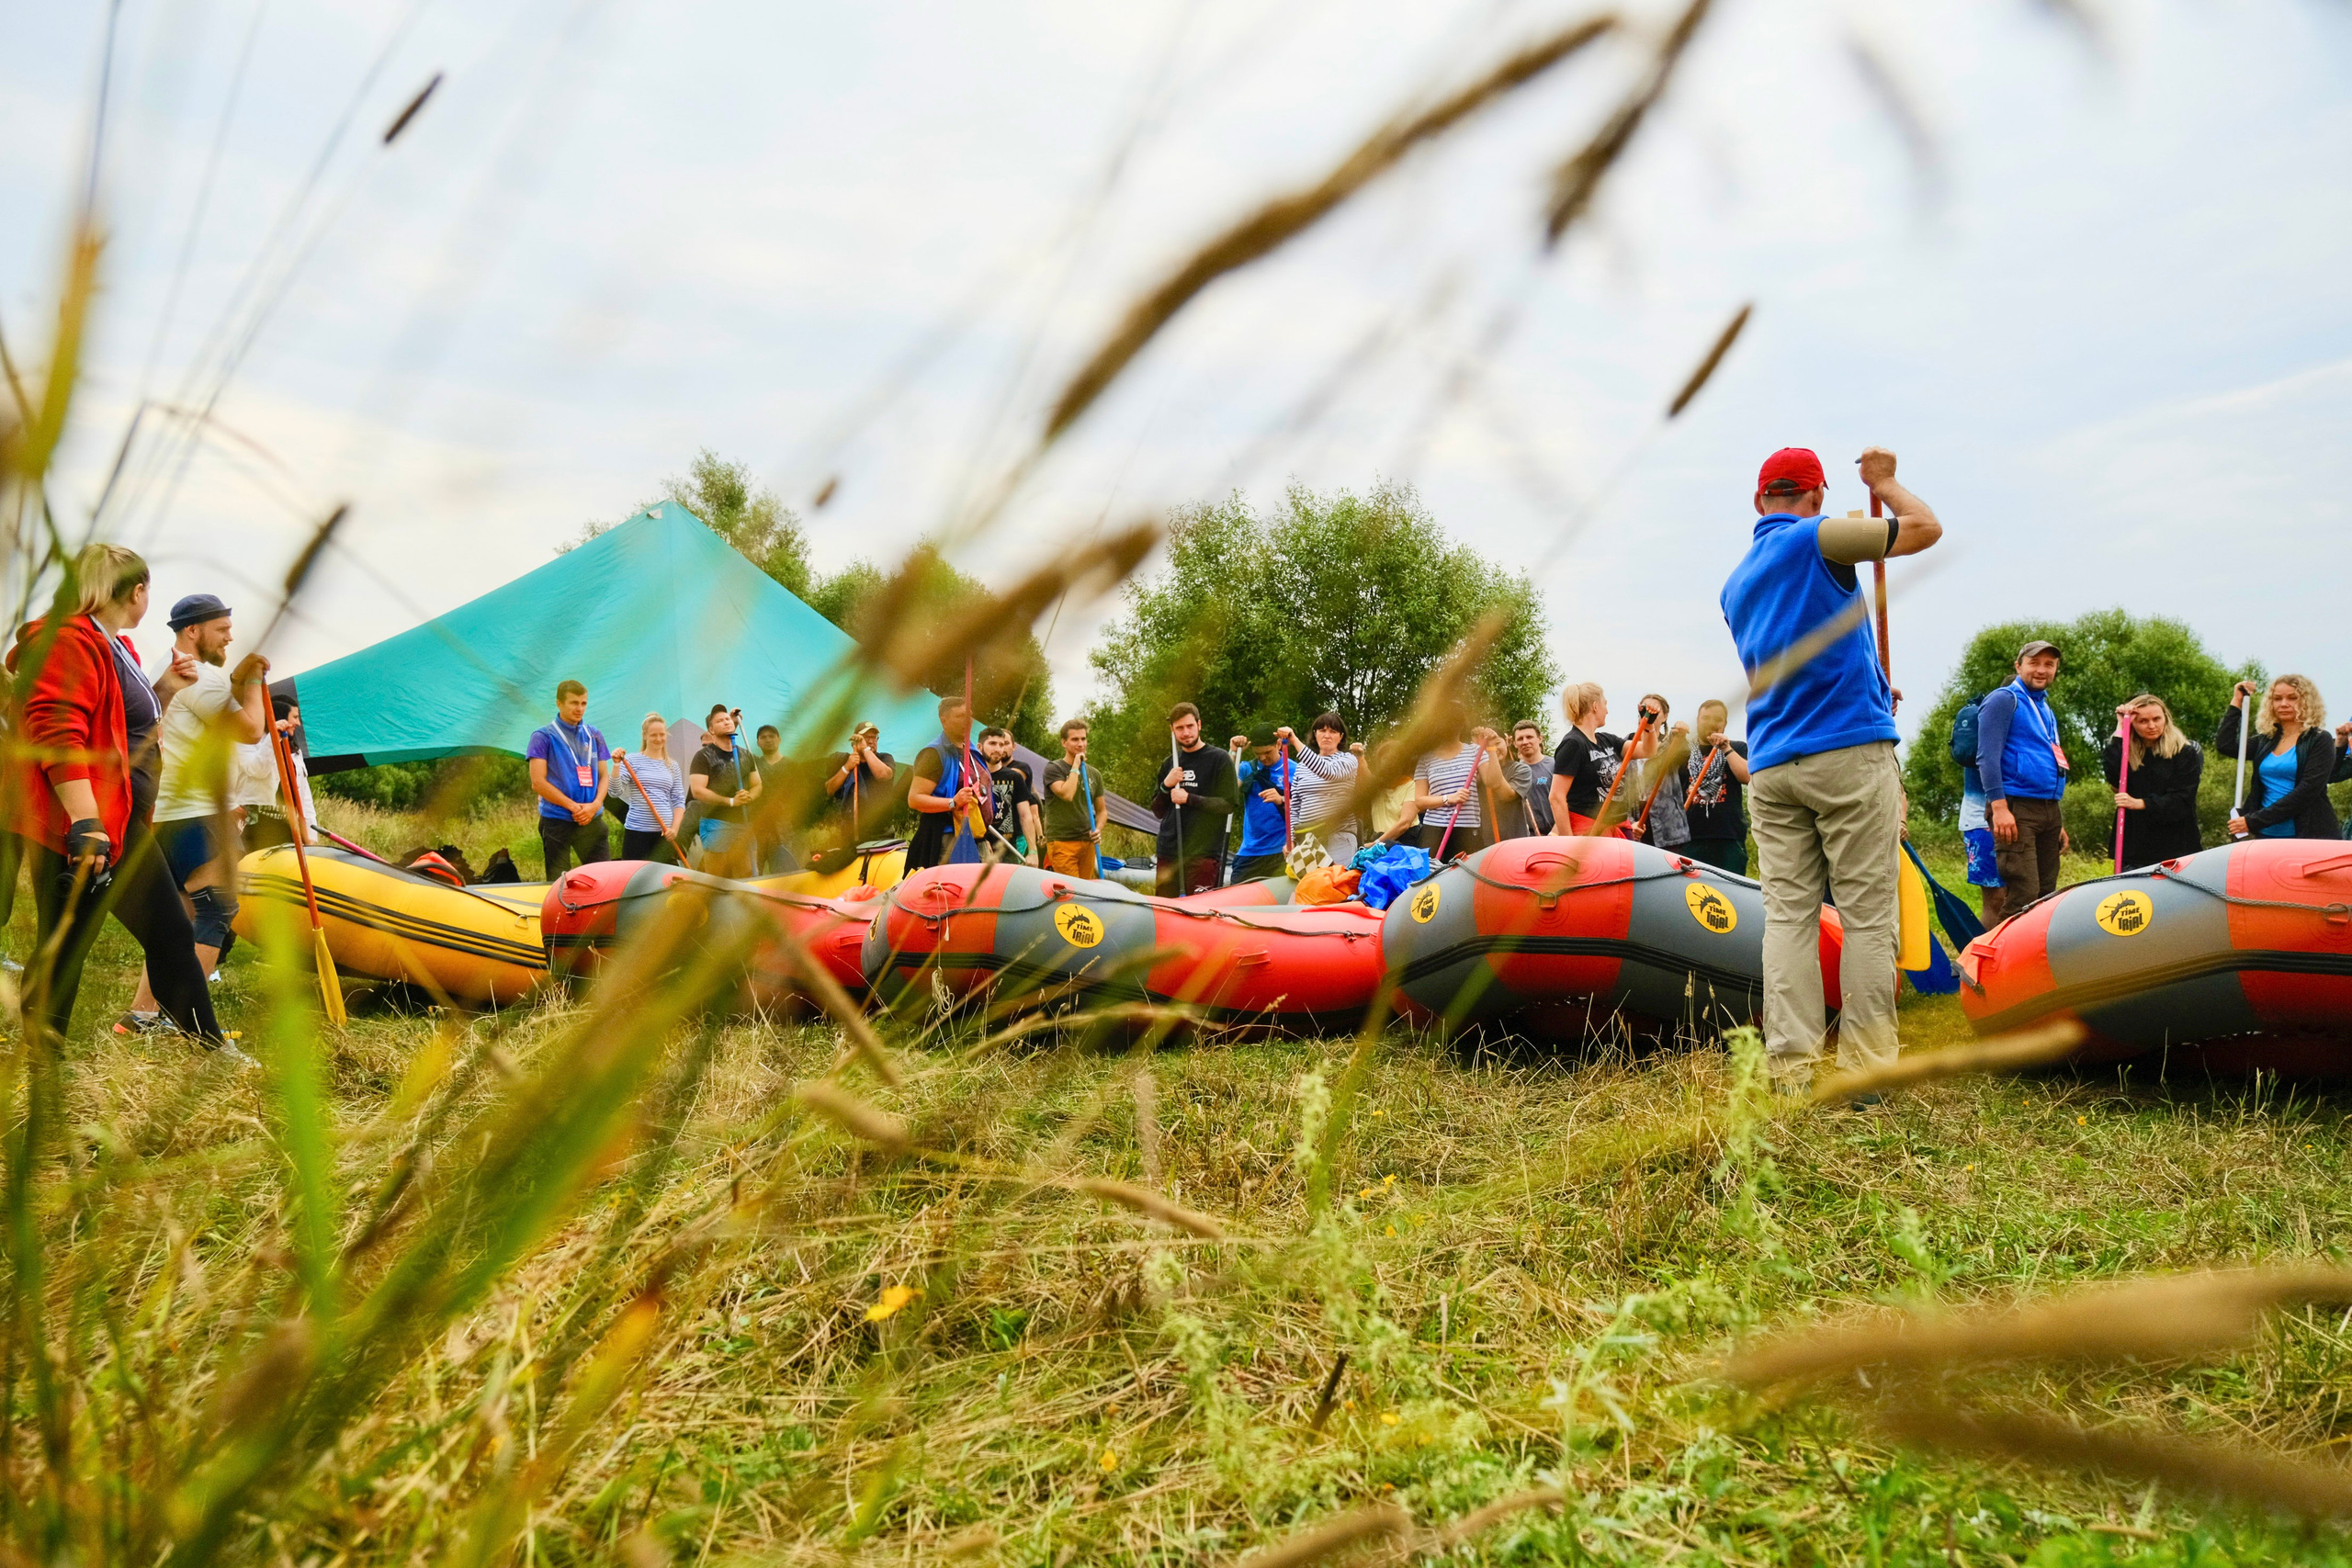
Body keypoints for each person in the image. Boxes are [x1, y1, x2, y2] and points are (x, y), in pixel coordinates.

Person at [1719, 445, 1941, 1094]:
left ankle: (1789, 1070)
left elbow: (1797, 648)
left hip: (1772, 761)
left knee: (1789, 918)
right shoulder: (1819, 535)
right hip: (1845, 753)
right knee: (1868, 915)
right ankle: (1865, 1074)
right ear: (1816, 496)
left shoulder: (1734, 583)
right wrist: (1886, 482)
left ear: (1758, 501)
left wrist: (1869, 680)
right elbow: (1925, 529)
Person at [7, 544, 233, 1055]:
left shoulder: (114, 646)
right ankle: (42, 1063)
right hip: (84, 824)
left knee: (158, 934)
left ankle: (209, 1049)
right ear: (137, 591)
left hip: (117, 817)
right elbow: (57, 731)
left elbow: (123, 729)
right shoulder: (68, 641)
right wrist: (86, 822)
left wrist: (165, 690)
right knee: (71, 943)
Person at [122, 594, 272, 1032]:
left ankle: (143, 1015)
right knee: (217, 911)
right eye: (222, 629)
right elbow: (250, 730)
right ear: (193, 630)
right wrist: (252, 681)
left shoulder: (165, 669)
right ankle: (185, 1019)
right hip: (199, 812)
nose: (229, 637)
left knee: (181, 920)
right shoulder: (200, 677)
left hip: (169, 812)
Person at [1975, 640, 2071, 925]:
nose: (2042, 670)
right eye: (2034, 663)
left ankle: (2033, 952)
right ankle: (1996, 953)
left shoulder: (2044, 706)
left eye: (2049, 664)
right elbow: (1987, 757)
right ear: (2018, 666)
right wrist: (1999, 807)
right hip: (2015, 806)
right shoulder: (2004, 699)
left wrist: (2055, 818)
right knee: (2023, 895)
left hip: (2048, 808)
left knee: (2045, 894)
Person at [2219, 675, 2341, 840]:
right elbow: (2225, 745)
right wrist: (2237, 701)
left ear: (2307, 701)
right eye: (2277, 699)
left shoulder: (2319, 740)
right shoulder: (2266, 739)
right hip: (2266, 834)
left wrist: (2253, 821)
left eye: (2292, 698)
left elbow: (2307, 791)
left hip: (2309, 835)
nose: (2284, 704)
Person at [2100, 695, 2204, 867]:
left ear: (2166, 719)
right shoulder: (2126, 752)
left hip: (2176, 846)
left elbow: (2182, 799)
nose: (2151, 726)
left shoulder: (2184, 753)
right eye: (2143, 721)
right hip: (2135, 846)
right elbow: (2113, 775)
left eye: (2157, 719)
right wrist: (2121, 727)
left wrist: (2141, 803)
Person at [527, 680, 613, 878]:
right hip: (557, 820)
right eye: (574, 703)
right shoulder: (543, 736)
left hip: (591, 818)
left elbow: (604, 776)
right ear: (559, 703)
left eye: (583, 703)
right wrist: (573, 807)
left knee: (603, 879)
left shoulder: (594, 735)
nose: (579, 709)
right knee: (559, 882)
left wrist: (595, 805)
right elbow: (538, 782)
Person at [1150, 702, 1235, 896]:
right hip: (1169, 851)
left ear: (1199, 724)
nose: (1186, 733)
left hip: (1203, 853)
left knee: (1200, 910)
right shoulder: (1170, 763)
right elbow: (1157, 810)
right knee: (1165, 909)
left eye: (1190, 726)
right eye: (1179, 728)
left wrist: (1189, 798)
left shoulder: (1219, 759)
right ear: (1172, 730)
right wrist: (1166, 785)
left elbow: (1228, 805)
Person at [1408, 711, 1511, 860]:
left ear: (1461, 725)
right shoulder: (1426, 759)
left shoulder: (1474, 751)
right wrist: (1448, 798)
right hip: (1434, 831)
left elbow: (1493, 782)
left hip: (1467, 830)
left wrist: (1491, 749)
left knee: (1465, 873)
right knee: (1435, 873)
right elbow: (1420, 801)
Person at [905, 697, 989, 872]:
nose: (968, 721)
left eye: (970, 715)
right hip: (948, 839)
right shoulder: (933, 754)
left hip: (977, 836)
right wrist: (953, 802)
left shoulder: (972, 751)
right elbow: (914, 799)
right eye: (960, 716)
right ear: (944, 721)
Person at [1679, 698, 1751, 874]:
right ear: (1697, 721)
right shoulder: (1683, 752)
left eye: (1718, 719)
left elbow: (1747, 776)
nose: (1711, 723)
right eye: (1706, 718)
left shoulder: (1737, 748)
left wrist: (1726, 748)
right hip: (1690, 837)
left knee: (1730, 888)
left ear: (1725, 724)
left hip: (1728, 837)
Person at [1279, 712, 1363, 863]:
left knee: (1336, 877)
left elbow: (1328, 771)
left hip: (1338, 836)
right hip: (1307, 839)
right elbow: (1295, 806)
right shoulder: (1302, 767)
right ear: (1315, 734)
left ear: (1341, 737)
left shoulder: (1349, 760)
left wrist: (1295, 741)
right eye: (1322, 731)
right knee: (1310, 879)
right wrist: (1291, 840)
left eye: (1333, 731)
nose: (1327, 736)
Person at [689, 705, 762, 875]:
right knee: (717, 876)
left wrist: (749, 797)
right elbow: (697, 791)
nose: (726, 722)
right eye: (720, 721)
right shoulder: (703, 756)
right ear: (711, 730)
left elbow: (757, 784)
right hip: (716, 822)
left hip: (744, 822)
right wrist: (730, 801)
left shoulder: (745, 754)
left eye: (727, 719)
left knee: (748, 872)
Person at [1613, 694, 1691, 850]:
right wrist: (1628, 823)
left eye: (1654, 711)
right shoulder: (1625, 744)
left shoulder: (1672, 743)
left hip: (1667, 828)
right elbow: (1619, 788)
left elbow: (1683, 755)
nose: (1648, 714)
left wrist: (1681, 736)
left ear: (1665, 717)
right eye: (1644, 709)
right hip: (1634, 822)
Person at [1547, 683, 1623, 834]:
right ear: (1595, 706)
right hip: (1588, 831)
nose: (1607, 710)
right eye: (1605, 704)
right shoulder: (1573, 744)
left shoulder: (1605, 740)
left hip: (1614, 827)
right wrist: (1568, 840)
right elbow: (1556, 797)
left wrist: (1649, 724)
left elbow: (1647, 751)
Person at [613, 713, 687, 863]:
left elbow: (679, 800)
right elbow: (615, 792)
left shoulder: (672, 766)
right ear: (645, 736)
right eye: (654, 735)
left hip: (664, 832)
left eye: (662, 734)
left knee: (665, 874)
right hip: (637, 831)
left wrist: (674, 829)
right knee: (635, 873)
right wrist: (616, 765)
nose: (658, 739)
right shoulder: (632, 760)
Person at [1041, 717, 1106, 879]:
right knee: (1072, 890)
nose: (1080, 744)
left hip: (1088, 842)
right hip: (1063, 842)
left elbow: (1102, 811)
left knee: (1087, 890)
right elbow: (1067, 794)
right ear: (1064, 742)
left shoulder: (1095, 774)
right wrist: (1076, 766)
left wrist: (1098, 829)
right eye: (1075, 739)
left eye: (1083, 739)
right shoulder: (1053, 768)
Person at [1228, 728, 1294, 881]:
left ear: (1278, 744)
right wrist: (1233, 752)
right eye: (1257, 754)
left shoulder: (1294, 770)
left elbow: (1306, 807)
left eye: (1267, 752)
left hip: (1282, 851)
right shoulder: (1247, 769)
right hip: (1251, 851)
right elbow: (1226, 790)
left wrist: (1282, 799)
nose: (1263, 758)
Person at [819, 723, 896, 846]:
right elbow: (830, 789)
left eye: (874, 737)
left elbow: (883, 775)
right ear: (855, 741)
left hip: (881, 834)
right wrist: (846, 767)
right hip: (851, 835)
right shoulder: (843, 760)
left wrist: (865, 750)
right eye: (866, 737)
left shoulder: (885, 758)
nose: (871, 741)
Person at [978, 726, 1041, 863]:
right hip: (978, 847)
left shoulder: (1014, 777)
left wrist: (1033, 851)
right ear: (979, 747)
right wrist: (980, 841)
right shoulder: (973, 776)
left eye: (1001, 744)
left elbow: (1025, 815)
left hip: (1007, 848)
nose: (998, 749)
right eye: (992, 743)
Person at [750, 723, 801, 874]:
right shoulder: (754, 765)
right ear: (758, 742)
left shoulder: (792, 766)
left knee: (783, 874)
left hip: (782, 830)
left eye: (771, 736)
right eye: (763, 737)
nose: (768, 740)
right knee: (753, 873)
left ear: (779, 739)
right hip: (757, 828)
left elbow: (798, 796)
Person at [1498, 719, 1555, 839]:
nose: (1525, 742)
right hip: (1524, 836)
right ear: (1514, 743)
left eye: (1529, 737)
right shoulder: (1515, 771)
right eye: (1520, 739)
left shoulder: (1554, 765)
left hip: (1552, 835)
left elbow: (1566, 802)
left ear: (1540, 739)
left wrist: (1555, 832)